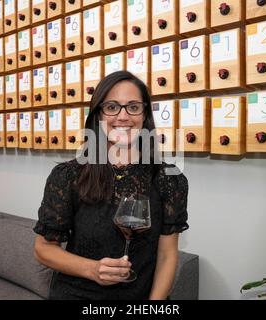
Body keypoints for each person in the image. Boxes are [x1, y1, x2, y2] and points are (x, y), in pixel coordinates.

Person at [33, 71, 189, 300]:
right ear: (98, 114)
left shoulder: (169, 179)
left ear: (144, 114)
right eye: (112, 107)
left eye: (133, 107)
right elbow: (43, 249)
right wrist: (92, 269)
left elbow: (167, 255)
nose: (123, 116)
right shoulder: (67, 176)